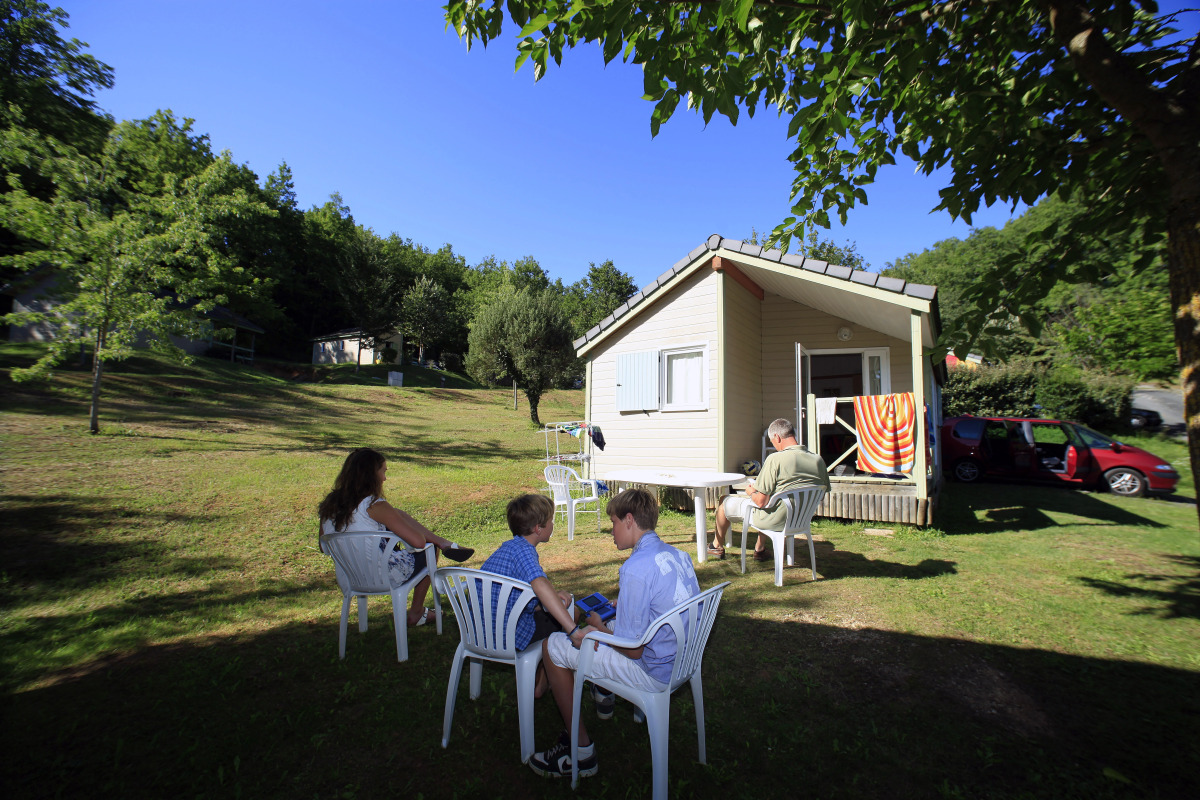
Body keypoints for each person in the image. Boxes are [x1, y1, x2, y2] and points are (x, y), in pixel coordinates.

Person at [529, 488, 700, 779]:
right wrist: (627, 607)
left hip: (652, 670)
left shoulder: (635, 568)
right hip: (683, 660)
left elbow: (633, 650)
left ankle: (580, 753)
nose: (612, 531)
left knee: (554, 645)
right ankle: (604, 692)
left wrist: (595, 626)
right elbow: (667, 601)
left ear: (630, 520)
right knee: (608, 625)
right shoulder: (677, 554)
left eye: (614, 523)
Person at [317, 448, 473, 627]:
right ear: (370, 475)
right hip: (383, 575)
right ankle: (416, 612)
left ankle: (443, 542)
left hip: (350, 577)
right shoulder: (373, 505)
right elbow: (418, 542)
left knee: (397, 514)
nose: (384, 478)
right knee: (430, 548)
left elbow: (324, 547)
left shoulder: (329, 507)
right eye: (383, 471)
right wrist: (395, 533)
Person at [479, 494, 578, 694]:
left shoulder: (509, 548)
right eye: (550, 520)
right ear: (538, 528)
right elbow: (539, 583)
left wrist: (551, 594)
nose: (553, 524)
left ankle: (541, 679)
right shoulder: (525, 551)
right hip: (507, 635)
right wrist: (573, 630)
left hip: (481, 632)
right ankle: (544, 680)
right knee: (572, 610)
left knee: (553, 611)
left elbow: (524, 595)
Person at [708, 418, 831, 561]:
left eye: (772, 441)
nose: (773, 445)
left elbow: (760, 502)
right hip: (800, 519)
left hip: (775, 520)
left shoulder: (775, 459)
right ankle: (759, 549)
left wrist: (751, 492)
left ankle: (716, 545)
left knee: (725, 500)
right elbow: (820, 495)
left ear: (777, 437)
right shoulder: (818, 460)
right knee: (773, 500)